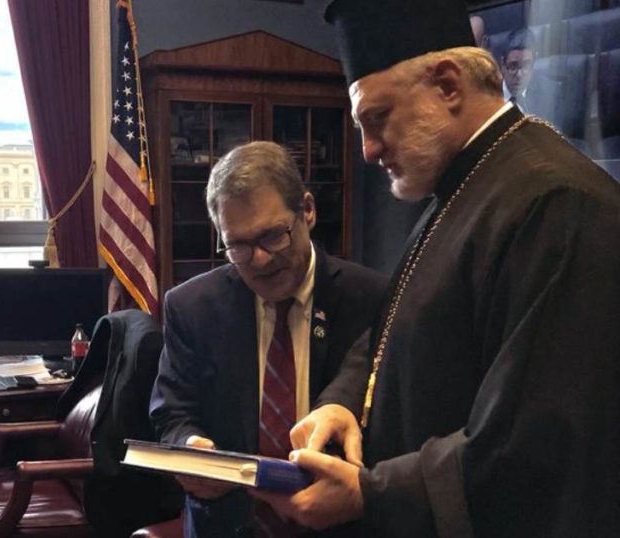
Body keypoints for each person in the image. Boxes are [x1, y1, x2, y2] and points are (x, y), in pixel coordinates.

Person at [253, 1, 620, 537]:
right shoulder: (459, 188)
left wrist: (369, 494)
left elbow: (535, 441)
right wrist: (342, 403)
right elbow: (391, 334)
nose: (369, 150)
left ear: (448, 86)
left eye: (376, 120)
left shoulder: (556, 204)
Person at [149, 141, 386, 537]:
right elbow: (170, 410)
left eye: (273, 236)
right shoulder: (192, 306)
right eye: (238, 246)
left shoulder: (372, 299)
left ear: (307, 211)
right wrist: (188, 445)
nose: (259, 259)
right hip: (225, 523)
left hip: (337, 525)